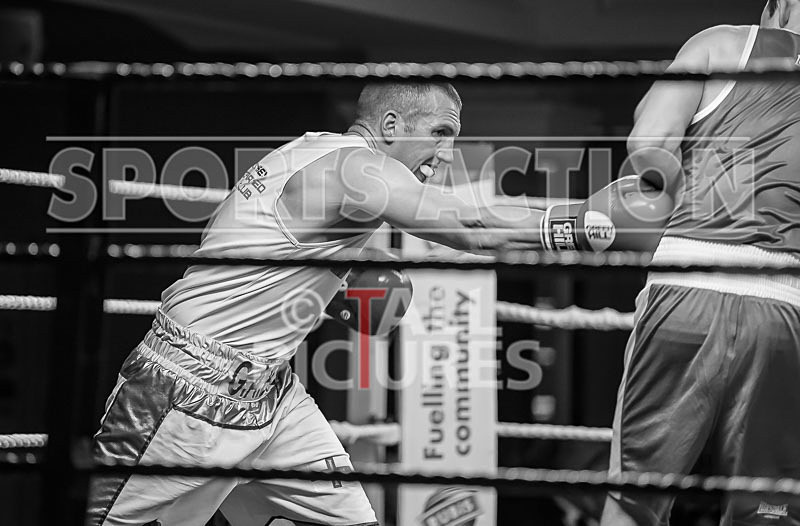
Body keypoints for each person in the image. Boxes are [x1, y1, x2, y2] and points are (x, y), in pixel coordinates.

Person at [87, 82, 669, 526]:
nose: (446, 153)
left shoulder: (309, 154)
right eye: (440, 132)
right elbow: (463, 223)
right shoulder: (354, 167)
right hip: (185, 386)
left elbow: (246, 241)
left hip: (272, 397)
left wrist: (336, 283)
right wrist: (574, 222)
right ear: (390, 124)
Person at [601, 2, 800, 525]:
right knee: (769, 513)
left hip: (689, 288)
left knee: (634, 501)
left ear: (778, 3)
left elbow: (647, 144)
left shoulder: (722, 44)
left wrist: (691, 196)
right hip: (786, 309)